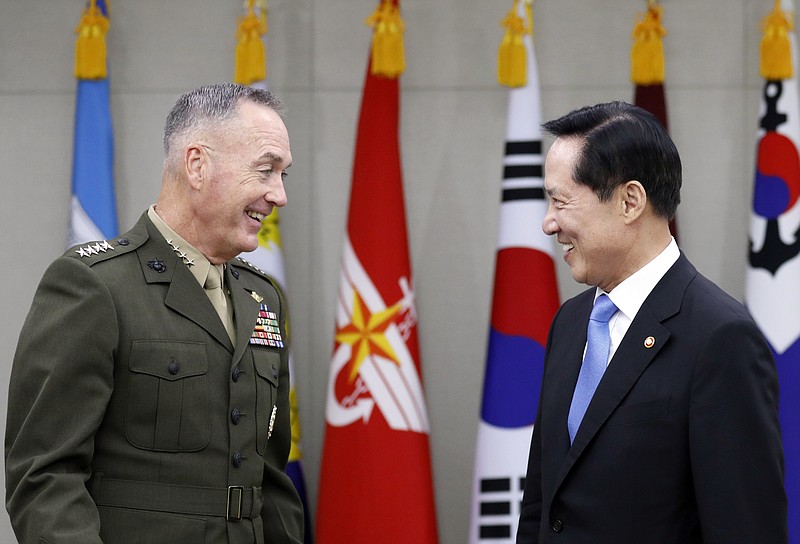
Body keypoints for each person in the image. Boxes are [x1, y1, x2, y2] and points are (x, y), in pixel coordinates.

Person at [5, 83, 304, 544]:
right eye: (265, 170)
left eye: (283, 175)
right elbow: (44, 478)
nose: (279, 194)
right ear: (198, 165)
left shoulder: (262, 298)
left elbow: (271, 482)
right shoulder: (95, 285)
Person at [517, 101, 787, 543]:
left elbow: (746, 527)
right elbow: (542, 504)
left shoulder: (720, 338)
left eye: (560, 202)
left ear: (629, 201)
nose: (548, 224)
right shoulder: (570, 322)